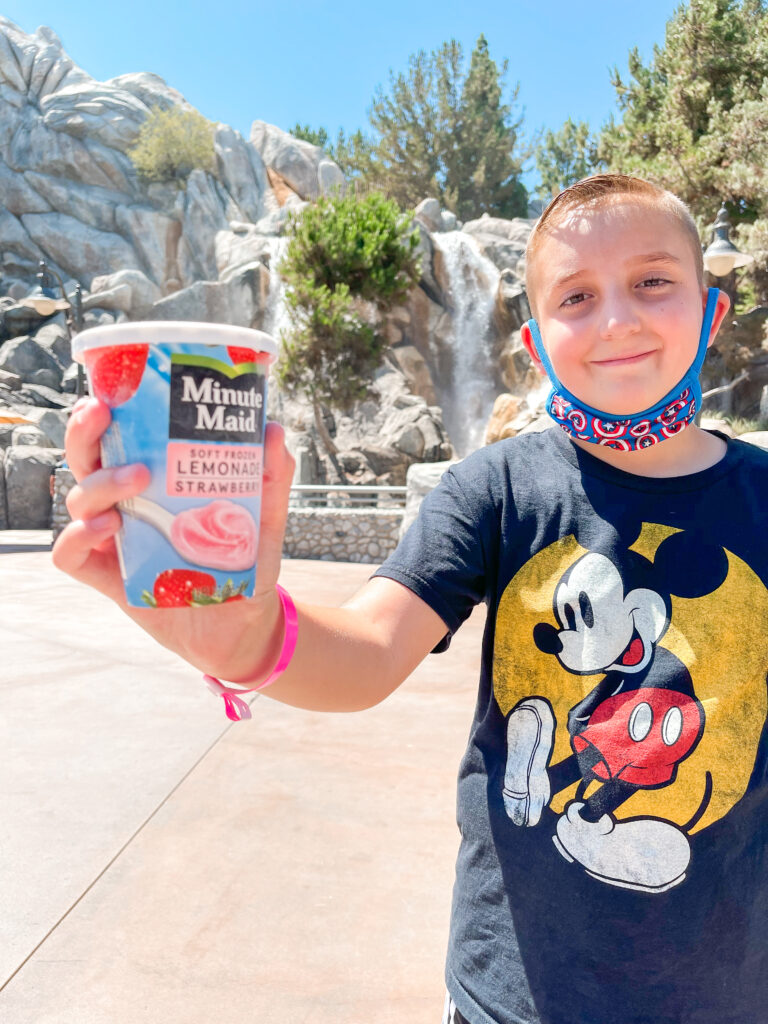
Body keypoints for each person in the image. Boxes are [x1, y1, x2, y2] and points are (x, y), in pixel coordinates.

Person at [54, 174, 768, 1024]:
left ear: (712, 313)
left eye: (653, 280)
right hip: (510, 998)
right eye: (576, 296)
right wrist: (240, 635)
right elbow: (366, 650)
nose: (617, 317)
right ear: (535, 345)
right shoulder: (497, 488)